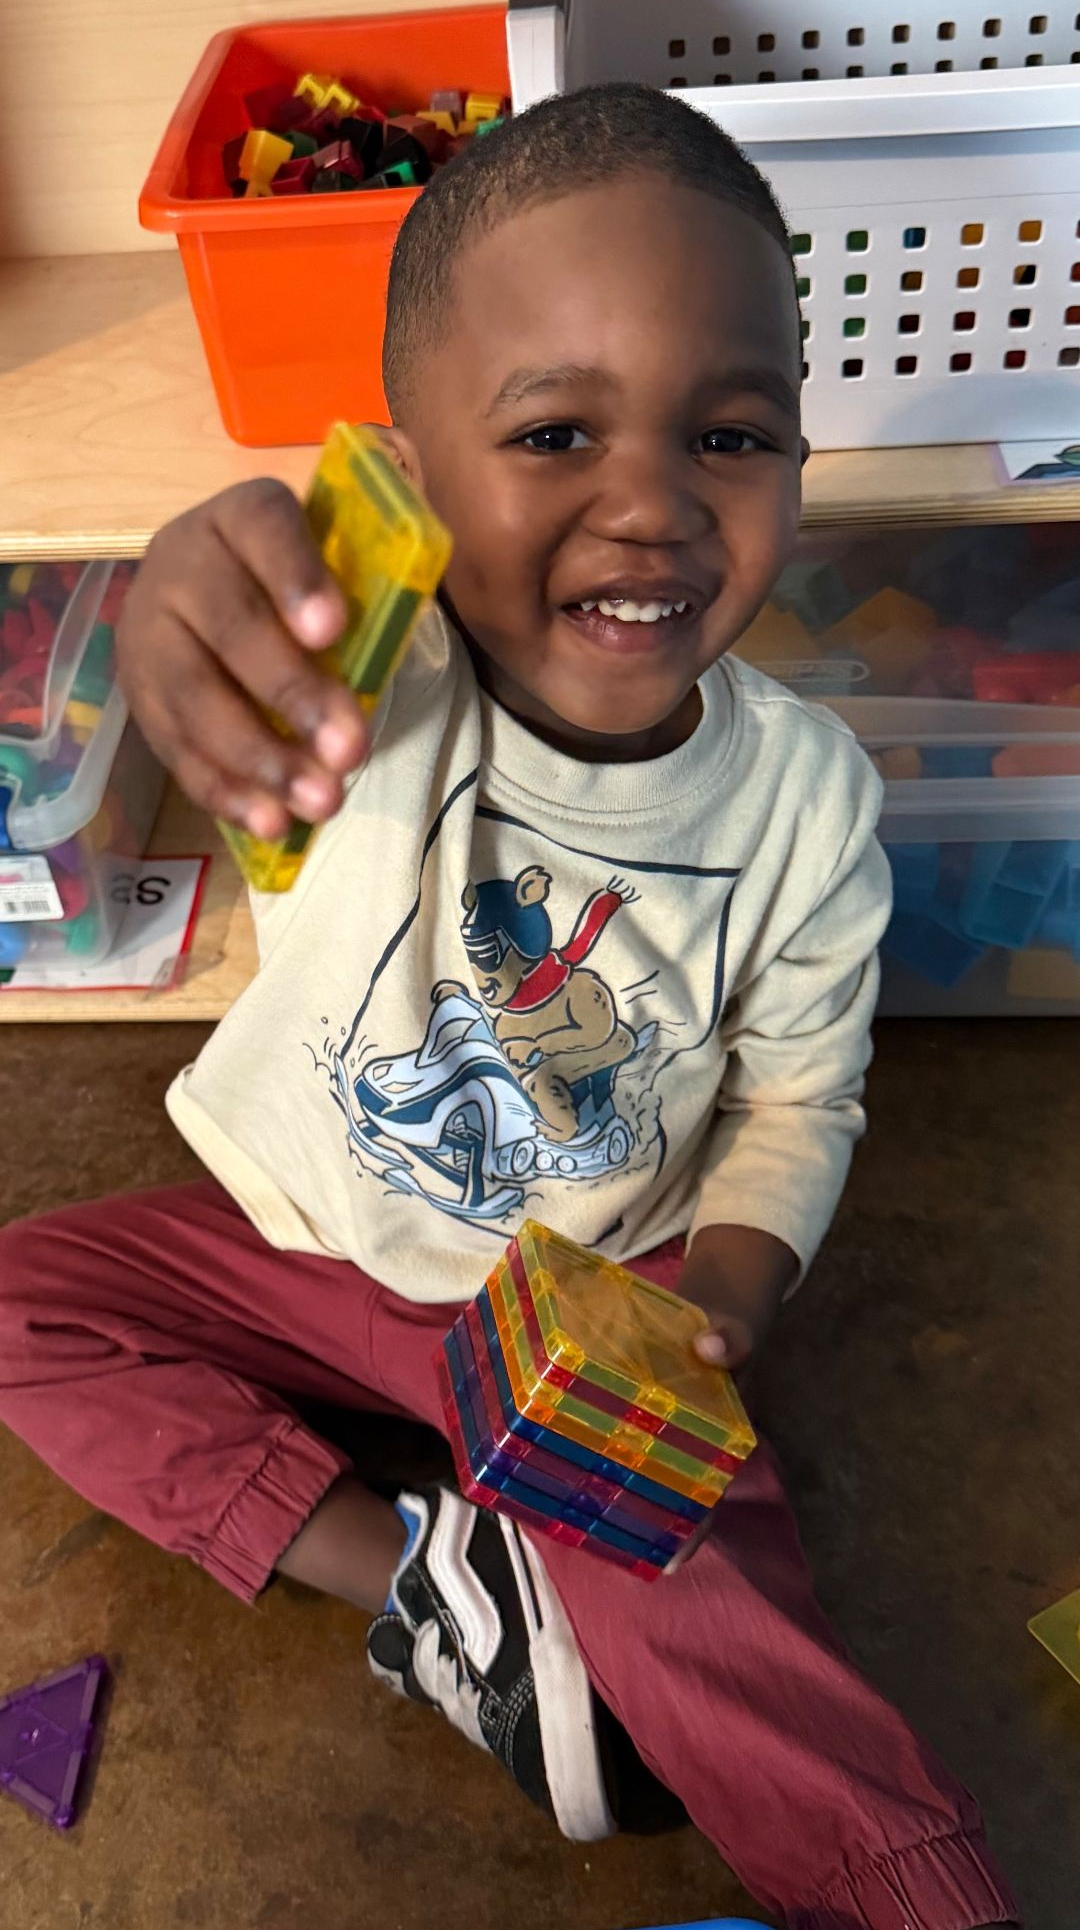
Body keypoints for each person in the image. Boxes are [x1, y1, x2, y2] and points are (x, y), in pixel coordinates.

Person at [0, 83, 1018, 1929]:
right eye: (554, 431)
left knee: (729, 1627)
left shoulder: (806, 801)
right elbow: (231, 656)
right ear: (412, 473)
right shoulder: (371, 685)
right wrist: (191, 613)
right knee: (20, 1306)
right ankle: (420, 1574)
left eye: (731, 432)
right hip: (311, 1237)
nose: (651, 504)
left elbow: (802, 1100)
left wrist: (719, 1299)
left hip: (589, 1304)